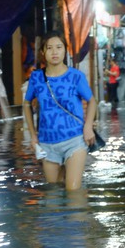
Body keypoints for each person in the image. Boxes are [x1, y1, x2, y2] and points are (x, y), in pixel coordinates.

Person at [23, 31, 97, 191]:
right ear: (43, 52)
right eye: (49, 48)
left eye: (59, 47)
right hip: (47, 143)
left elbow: (91, 101)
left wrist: (88, 126)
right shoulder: (36, 78)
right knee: (54, 191)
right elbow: (26, 104)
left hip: (75, 140)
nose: (54, 52)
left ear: (65, 50)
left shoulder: (76, 76)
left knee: (73, 191)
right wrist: (33, 136)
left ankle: (79, 216)